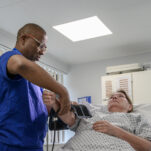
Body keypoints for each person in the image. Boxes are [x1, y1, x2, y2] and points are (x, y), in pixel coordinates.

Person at [0, 23, 71, 151]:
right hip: (11, 145)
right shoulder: (8, 58)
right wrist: (63, 91)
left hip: (36, 145)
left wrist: (54, 105)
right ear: (23, 39)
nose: (43, 51)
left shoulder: (36, 80)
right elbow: (20, 64)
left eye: (45, 47)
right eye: (40, 45)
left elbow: (34, 110)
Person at [48, 90, 151, 151]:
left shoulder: (137, 118)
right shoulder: (91, 113)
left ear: (130, 106)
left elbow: (148, 147)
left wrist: (116, 131)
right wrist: (55, 104)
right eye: (112, 97)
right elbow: (69, 119)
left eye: (121, 96)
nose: (114, 97)